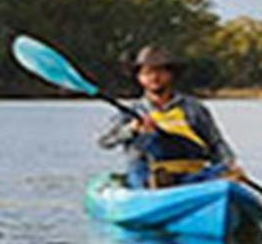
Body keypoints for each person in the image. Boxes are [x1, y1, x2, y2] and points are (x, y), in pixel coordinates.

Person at [97, 45, 247, 190]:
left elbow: (216, 143)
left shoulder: (193, 108)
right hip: (146, 174)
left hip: (191, 174)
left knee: (220, 173)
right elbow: (105, 141)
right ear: (139, 78)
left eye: (160, 72)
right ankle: (158, 184)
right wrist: (132, 128)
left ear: (171, 74)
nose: (154, 77)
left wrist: (229, 166)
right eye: (147, 72)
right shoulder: (132, 111)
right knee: (144, 172)